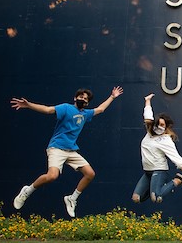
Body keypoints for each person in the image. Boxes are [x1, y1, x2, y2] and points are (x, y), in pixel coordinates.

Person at [11, 86, 123, 217]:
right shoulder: (66, 108)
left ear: (87, 103)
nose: (83, 99)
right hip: (56, 148)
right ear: (75, 98)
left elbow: (101, 109)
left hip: (71, 151)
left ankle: (72, 198)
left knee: (90, 174)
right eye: (81, 97)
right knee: (52, 176)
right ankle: (27, 190)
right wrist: (29, 105)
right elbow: (47, 110)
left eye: (86, 99)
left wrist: (112, 97)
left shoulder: (85, 114)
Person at [131, 93, 182, 204]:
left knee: (156, 197)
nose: (160, 127)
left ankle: (178, 180)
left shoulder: (165, 140)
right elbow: (148, 115)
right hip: (147, 171)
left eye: (163, 125)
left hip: (159, 169)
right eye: (159, 124)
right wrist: (147, 101)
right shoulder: (149, 133)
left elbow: (176, 158)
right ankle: (156, 189)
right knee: (136, 199)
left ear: (166, 127)